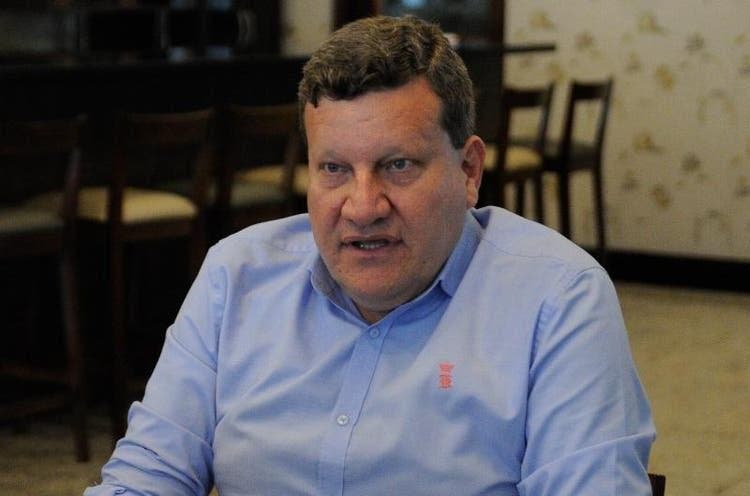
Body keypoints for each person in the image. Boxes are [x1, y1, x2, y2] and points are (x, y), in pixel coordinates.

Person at [85, 15, 655, 496]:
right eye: (334, 169)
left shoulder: (557, 299)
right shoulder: (236, 276)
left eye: (398, 165)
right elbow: (146, 476)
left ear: (468, 170)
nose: (362, 207)